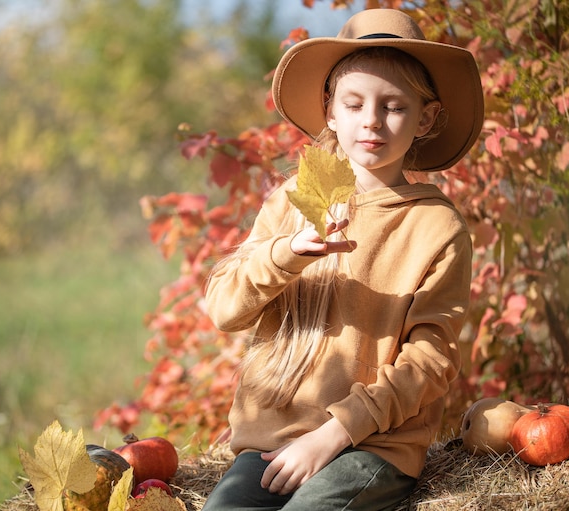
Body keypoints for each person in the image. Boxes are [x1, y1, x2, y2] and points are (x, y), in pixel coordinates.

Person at [202, 8, 483, 511]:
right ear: (331, 111)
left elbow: (430, 360)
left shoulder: (437, 227)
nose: (371, 120)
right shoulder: (296, 198)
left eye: (394, 106)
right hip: (272, 440)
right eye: (354, 104)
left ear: (428, 118)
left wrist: (334, 434)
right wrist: (286, 255)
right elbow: (225, 310)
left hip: (371, 445)